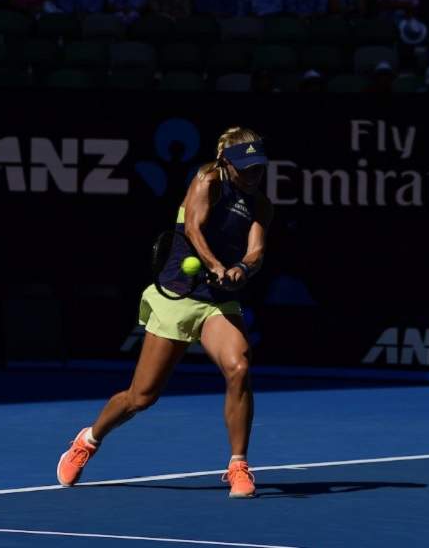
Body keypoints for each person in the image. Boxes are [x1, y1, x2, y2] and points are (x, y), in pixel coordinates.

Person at [56, 127, 274, 499]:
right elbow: (192, 226)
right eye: (246, 168)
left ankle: (238, 464)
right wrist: (217, 264)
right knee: (141, 397)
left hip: (217, 302)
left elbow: (256, 251)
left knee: (240, 367)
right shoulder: (207, 180)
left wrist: (242, 269)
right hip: (179, 293)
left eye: (258, 168)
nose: (253, 175)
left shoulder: (261, 203)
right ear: (226, 163)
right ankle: (89, 439)